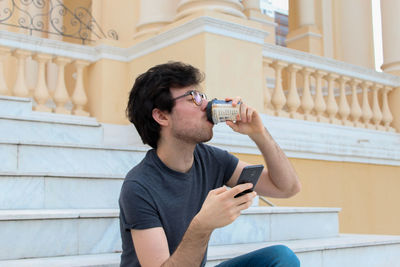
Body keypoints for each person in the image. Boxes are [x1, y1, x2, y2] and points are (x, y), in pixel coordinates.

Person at [119, 61, 301, 267]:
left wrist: (259, 134)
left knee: (280, 257)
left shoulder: (211, 160)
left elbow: (287, 187)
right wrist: (202, 225)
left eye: (202, 96)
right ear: (161, 115)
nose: (206, 104)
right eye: (193, 98)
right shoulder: (138, 187)